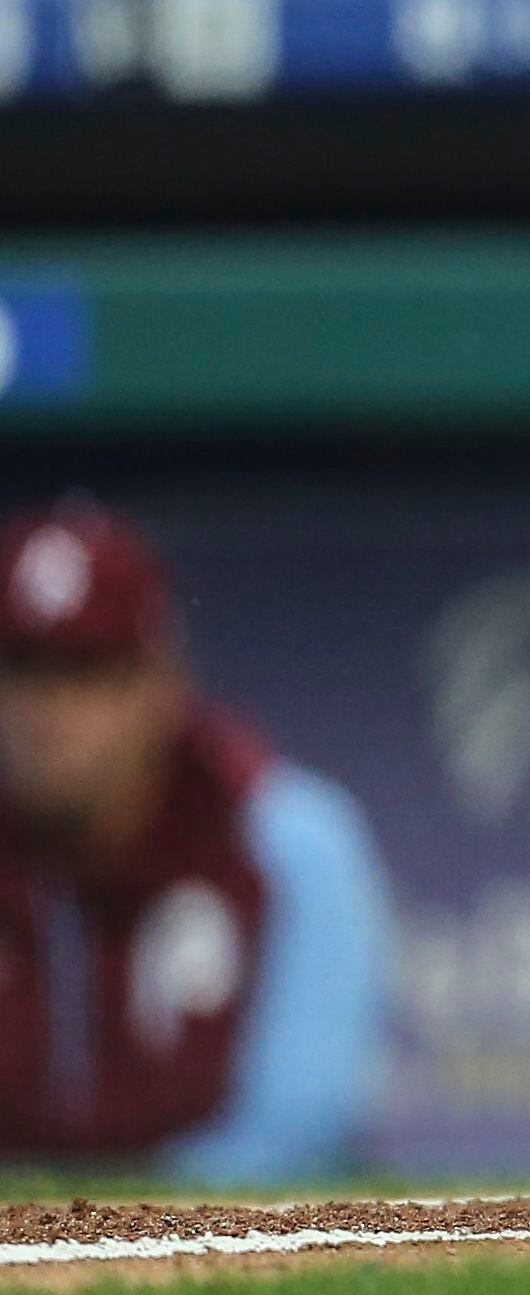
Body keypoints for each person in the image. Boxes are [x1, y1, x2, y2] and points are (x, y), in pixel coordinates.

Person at [0, 501, 392, 1183]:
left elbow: (300, 1123)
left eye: (88, 673)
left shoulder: (285, 836)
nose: (49, 712)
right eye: (23, 670)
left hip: (209, 1239)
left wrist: (101, 1229)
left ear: (161, 682)